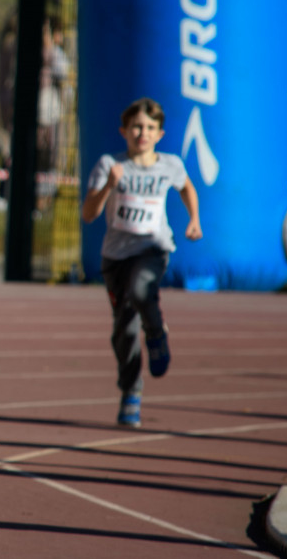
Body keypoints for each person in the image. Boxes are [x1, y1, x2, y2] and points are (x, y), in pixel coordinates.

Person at [81, 97, 202, 428]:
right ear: (123, 131)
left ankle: (156, 332)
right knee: (123, 330)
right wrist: (109, 185)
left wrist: (194, 219)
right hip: (116, 256)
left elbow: (187, 187)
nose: (142, 133)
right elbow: (88, 214)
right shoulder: (110, 164)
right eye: (136, 127)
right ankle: (131, 391)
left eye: (149, 127)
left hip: (153, 247)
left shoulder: (170, 165)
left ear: (160, 134)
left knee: (141, 289)